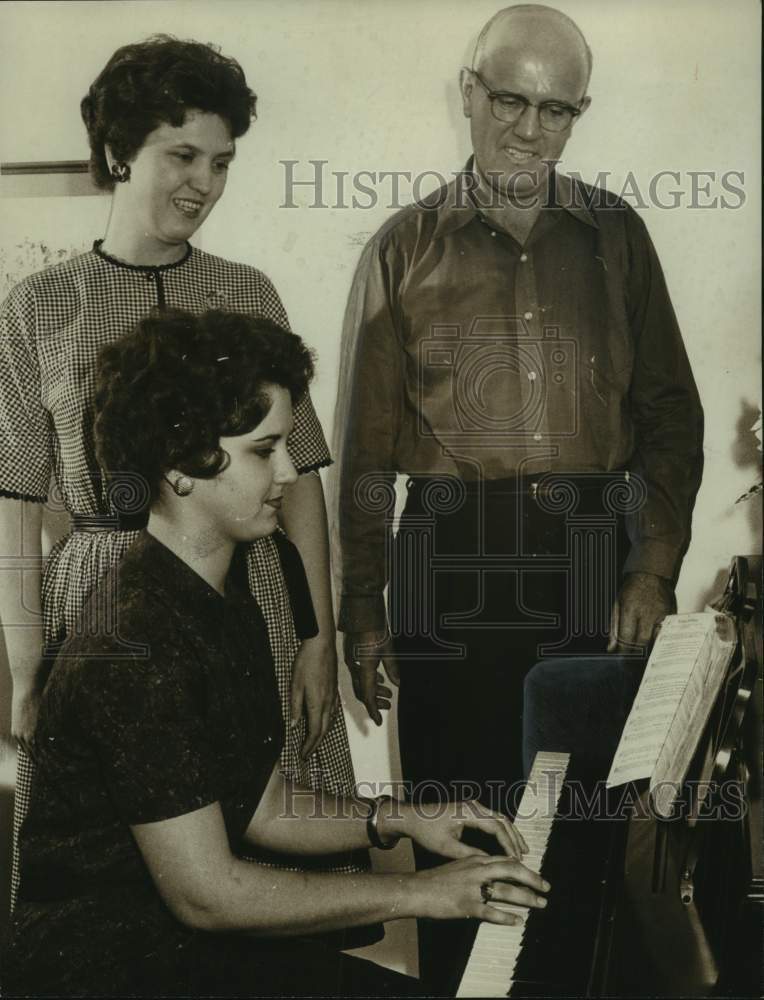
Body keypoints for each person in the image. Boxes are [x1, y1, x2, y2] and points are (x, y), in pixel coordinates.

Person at [0, 308, 549, 997]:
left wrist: (400, 817)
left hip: (180, 950)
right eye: (264, 450)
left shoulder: (220, 592)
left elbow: (261, 803)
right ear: (179, 466)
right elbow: (210, 894)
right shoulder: (134, 641)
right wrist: (421, 893)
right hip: (106, 970)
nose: (290, 472)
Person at [333, 3, 703, 990]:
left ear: (577, 114)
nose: (528, 129)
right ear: (468, 93)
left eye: (556, 109)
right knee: (465, 834)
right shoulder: (402, 244)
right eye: (509, 100)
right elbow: (366, 446)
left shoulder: (615, 237)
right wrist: (360, 608)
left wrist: (651, 565)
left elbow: (671, 413)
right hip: (450, 562)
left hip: (593, 550)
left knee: (590, 841)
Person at [0, 35, 359, 909]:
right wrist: (26, 661)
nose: (202, 183)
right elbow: (12, 502)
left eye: (222, 162)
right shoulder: (39, 306)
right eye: (182, 155)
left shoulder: (250, 290)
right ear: (121, 152)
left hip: (259, 600)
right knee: (129, 887)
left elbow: (301, 477)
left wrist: (319, 639)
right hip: (99, 597)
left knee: (275, 849)